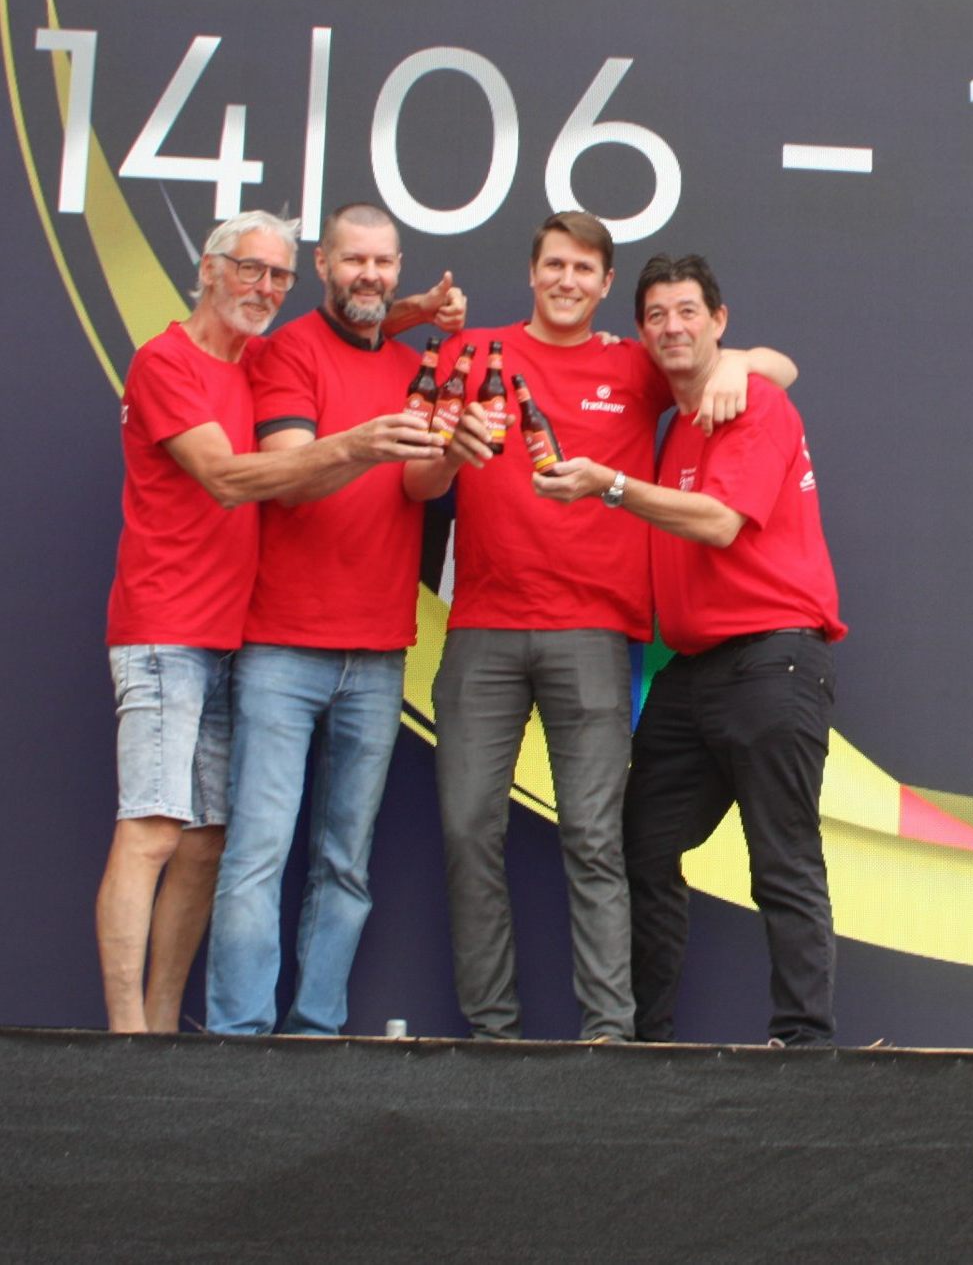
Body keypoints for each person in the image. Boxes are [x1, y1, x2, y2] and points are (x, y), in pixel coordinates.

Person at [404, 212, 796, 1041]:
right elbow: (413, 484)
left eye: (584, 269)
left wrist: (740, 364)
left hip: (594, 633)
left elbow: (776, 366)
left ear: (606, 284)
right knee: (468, 826)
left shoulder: (634, 362)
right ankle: (492, 1031)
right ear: (534, 270)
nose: (567, 281)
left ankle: (608, 1034)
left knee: (593, 836)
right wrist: (449, 453)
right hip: (481, 629)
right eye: (555, 265)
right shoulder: (473, 352)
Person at [96, 211, 446, 1034]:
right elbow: (224, 476)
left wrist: (412, 310)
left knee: (207, 842)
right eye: (251, 271)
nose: (266, 289)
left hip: (228, 634)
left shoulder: (254, 355)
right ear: (209, 268)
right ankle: (121, 1040)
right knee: (151, 828)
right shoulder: (166, 360)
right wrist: (354, 443)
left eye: (278, 277)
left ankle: (162, 1027)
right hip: (163, 630)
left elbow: (345, 325)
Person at [535, 253, 844, 1048]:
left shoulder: (759, 404)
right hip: (693, 673)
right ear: (641, 331)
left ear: (719, 319)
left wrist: (610, 484)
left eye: (687, 311)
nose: (672, 326)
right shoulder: (675, 420)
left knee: (781, 858)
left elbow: (716, 521)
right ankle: (645, 1039)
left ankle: (803, 1043)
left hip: (774, 662)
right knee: (638, 843)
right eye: (656, 315)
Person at [205, 202, 466, 1036]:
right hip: (282, 646)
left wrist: (447, 454)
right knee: (256, 856)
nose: (370, 277)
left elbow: (419, 492)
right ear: (323, 262)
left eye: (384, 264)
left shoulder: (409, 362)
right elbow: (285, 476)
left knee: (345, 863)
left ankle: (316, 1033)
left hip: (380, 651)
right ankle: (239, 1034)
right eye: (355, 260)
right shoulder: (285, 353)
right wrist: (362, 441)